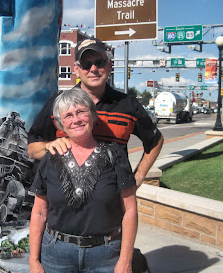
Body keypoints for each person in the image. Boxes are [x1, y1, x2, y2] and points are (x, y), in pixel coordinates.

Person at [29, 88, 137, 273]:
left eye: (81, 112)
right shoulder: (51, 157)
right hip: (57, 255)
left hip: (105, 256)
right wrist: (33, 260)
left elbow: (130, 210)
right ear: (61, 124)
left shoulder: (115, 155)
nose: (76, 119)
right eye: (68, 115)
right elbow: (39, 212)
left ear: (92, 116)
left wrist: (125, 260)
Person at [28, 36, 164, 188]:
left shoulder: (128, 105)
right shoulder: (58, 103)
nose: (93, 69)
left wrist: (138, 176)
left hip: (113, 200)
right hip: (64, 200)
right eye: (86, 64)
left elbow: (155, 141)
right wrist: (50, 146)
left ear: (110, 66)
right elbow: (32, 149)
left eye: (99, 63)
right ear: (76, 70)